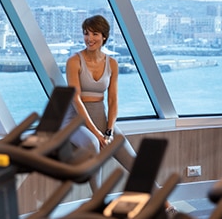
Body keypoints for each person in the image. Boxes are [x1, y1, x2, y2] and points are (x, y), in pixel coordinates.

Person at [62, 15, 177, 216]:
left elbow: (113, 101)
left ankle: (166, 205)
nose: (89, 38)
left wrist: (108, 129)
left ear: (104, 37)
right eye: (86, 33)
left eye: (94, 34)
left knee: (134, 160)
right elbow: (76, 100)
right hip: (75, 121)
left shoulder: (112, 63)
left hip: (101, 118)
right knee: (92, 143)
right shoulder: (74, 61)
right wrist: (98, 135)